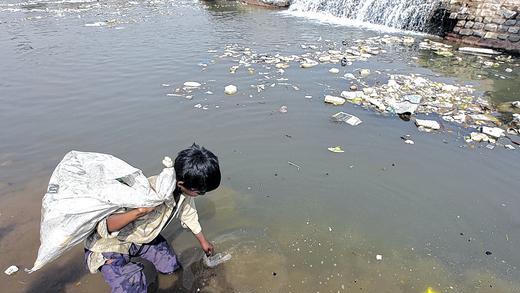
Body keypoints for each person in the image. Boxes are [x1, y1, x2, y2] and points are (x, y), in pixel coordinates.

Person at [83, 144, 221, 293]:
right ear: (181, 183)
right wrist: (138, 211)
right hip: (110, 244)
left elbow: (188, 213)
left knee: (172, 268)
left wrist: (203, 241)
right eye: (200, 192)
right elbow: (106, 226)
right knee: (133, 283)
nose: (201, 195)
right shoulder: (147, 190)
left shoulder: (183, 193)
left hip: (144, 237)